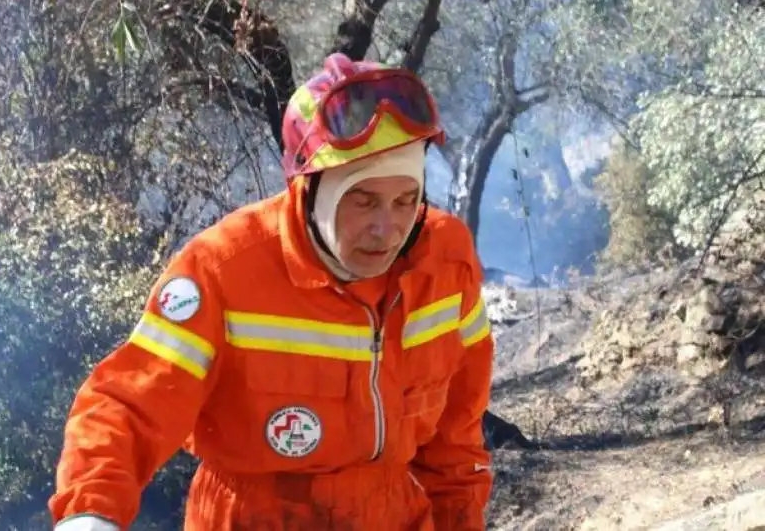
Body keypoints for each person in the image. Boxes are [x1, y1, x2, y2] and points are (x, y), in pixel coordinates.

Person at [49, 52, 495, 531]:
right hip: (249, 516)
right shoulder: (223, 270)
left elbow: (457, 435)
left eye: (406, 200)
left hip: (391, 514)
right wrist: (90, 513)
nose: (386, 229)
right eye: (363, 201)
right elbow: (128, 406)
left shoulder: (445, 261)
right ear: (313, 190)